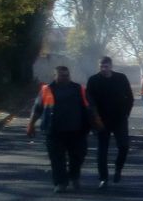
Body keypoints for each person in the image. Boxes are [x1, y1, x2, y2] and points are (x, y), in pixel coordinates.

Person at [25, 65, 102, 193]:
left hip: (77, 131)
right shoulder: (47, 90)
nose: (65, 78)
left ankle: (74, 176)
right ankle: (60, 183)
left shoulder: (79, 89)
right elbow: (37, 109)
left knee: (78, 157)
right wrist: (31, 124)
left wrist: (97, 121)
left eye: (67, 75)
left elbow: (90, 107)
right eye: (62, 76)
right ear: (55, 76)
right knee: (57, 159)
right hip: (54, 131)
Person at [87, 56, 135, 189]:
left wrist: (126, 113)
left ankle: (118, 168)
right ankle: (103, 178)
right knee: (102, 150)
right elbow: (90, 101)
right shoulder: (93, 80)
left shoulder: (121, 78)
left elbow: (130, 97)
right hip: (101, 120)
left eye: (106, 66)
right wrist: (94, 118)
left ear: (111, 66)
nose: (104, 69)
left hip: (119, 118)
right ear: (99, 66)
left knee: (124, 146)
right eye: (101, 66)